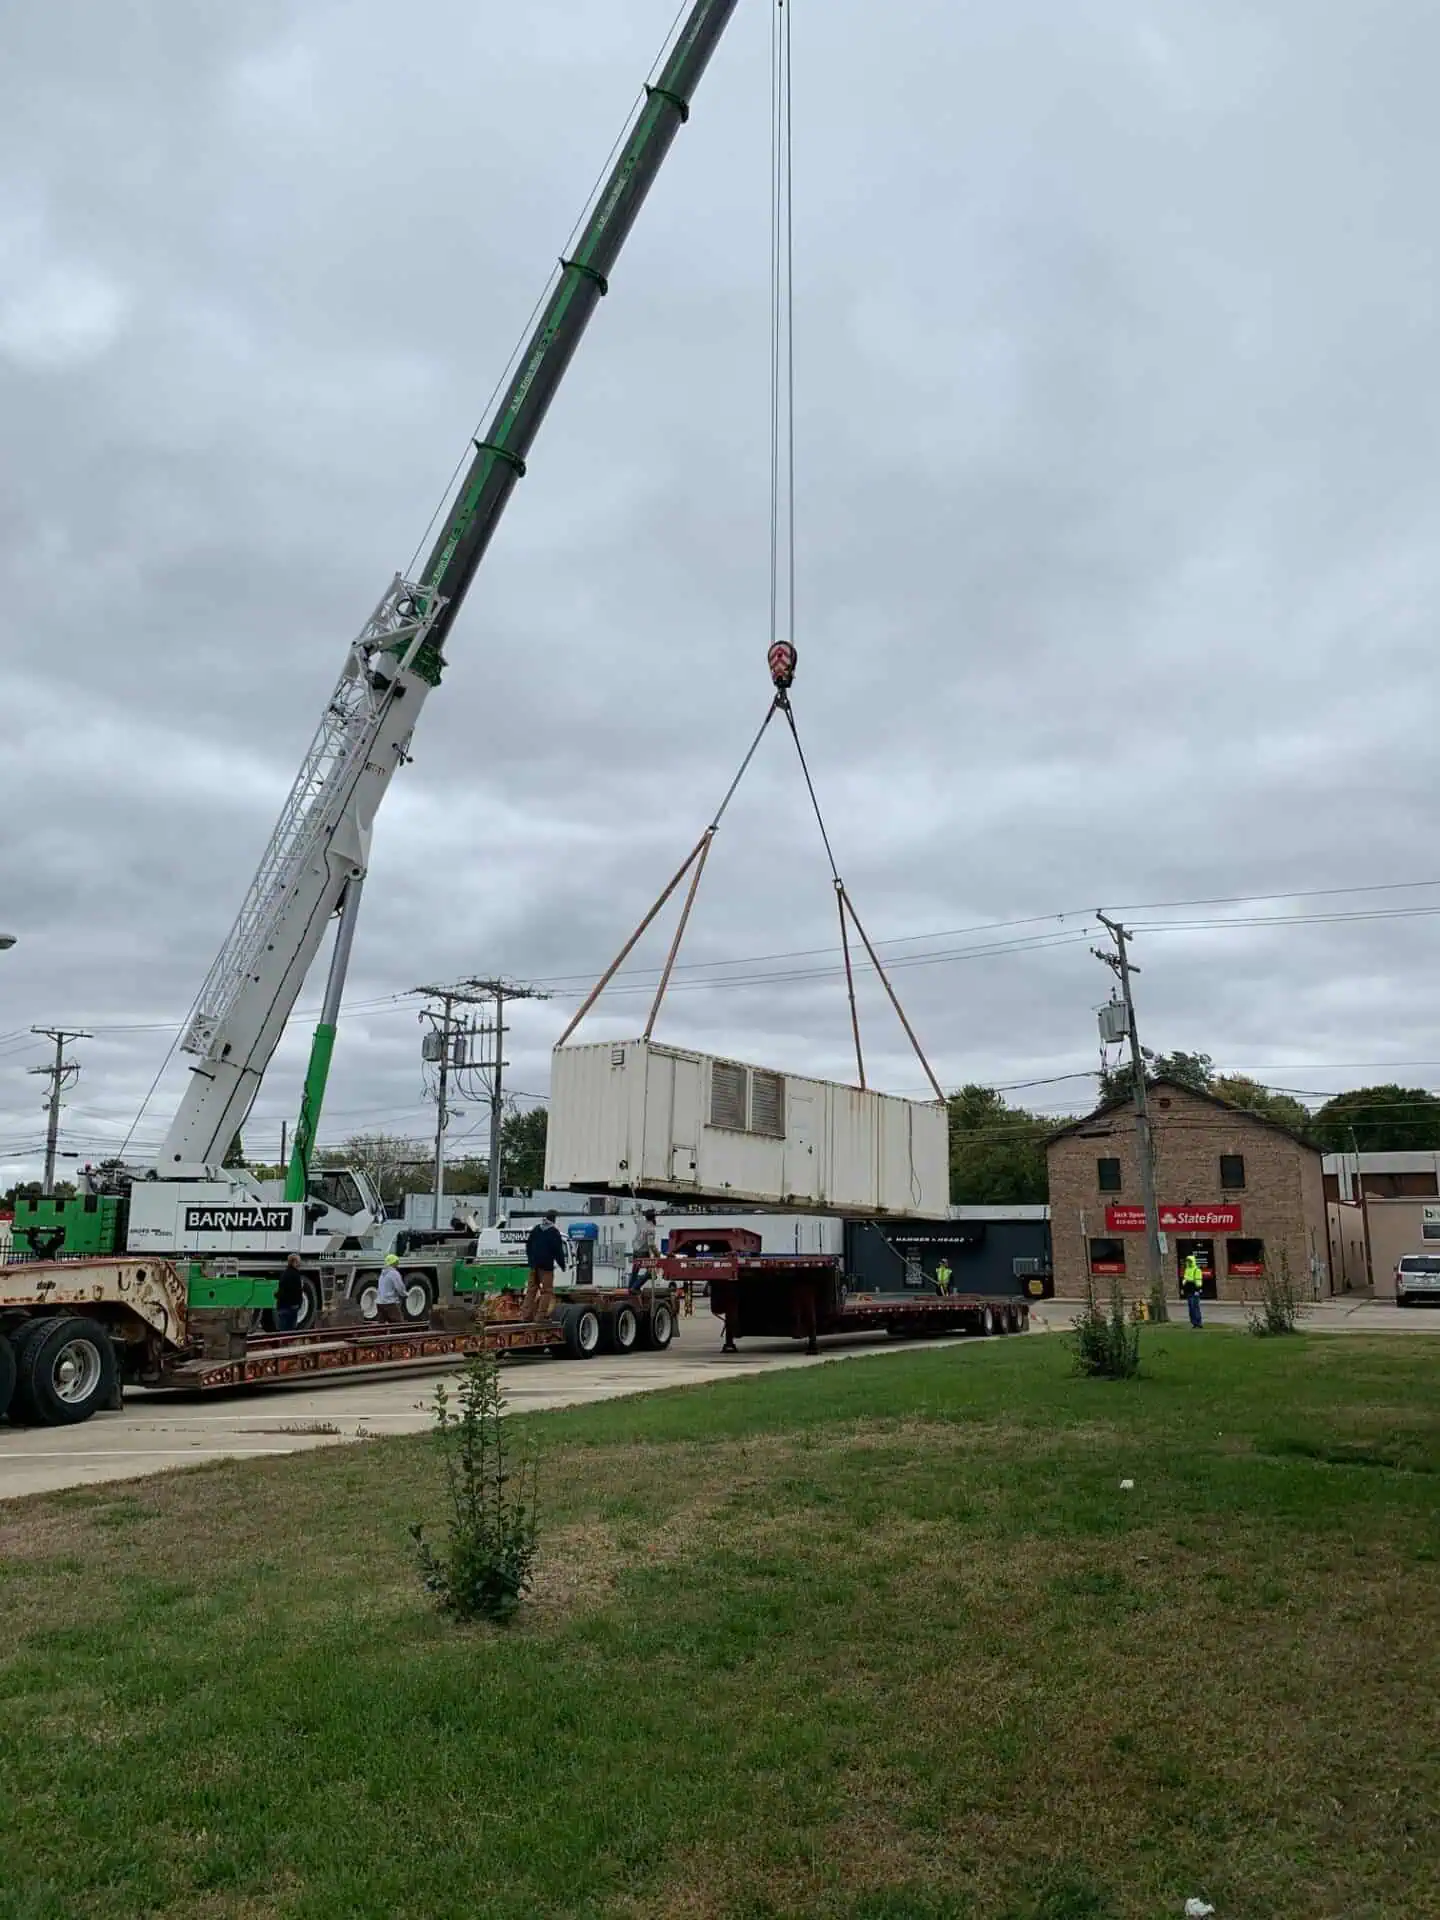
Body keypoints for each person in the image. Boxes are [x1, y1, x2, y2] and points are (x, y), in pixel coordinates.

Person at [523, 1210, 567, 1320]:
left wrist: (531, 1261)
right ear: (554, 1219)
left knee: (531, 1289)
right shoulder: (554, 1232)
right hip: (546, 1267)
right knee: (546, 1291)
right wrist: (562, 1265)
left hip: (534, 1266)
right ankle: (540, 1316)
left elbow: (528, 1246)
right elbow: (558, 1251)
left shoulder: (536, 1229)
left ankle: (525, 1315)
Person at [630, 1208, 659, 1293]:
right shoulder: (651, 1229)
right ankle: (635, 1287)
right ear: (654, 1218)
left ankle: (630, 1288)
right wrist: (657, 1254)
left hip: (635, 1251)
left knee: (635, 1271)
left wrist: (637, 1209)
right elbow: (651, 1244)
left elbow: (635, 1217)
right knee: (650, 1271)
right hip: (643, 1252)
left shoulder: (641, 1221)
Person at [275, 1253, 305, 1332]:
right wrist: (299, 1304)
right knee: (290, 1331)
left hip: (282, 1306)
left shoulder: (284, 1273)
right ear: (294, 1262)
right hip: (291, 1307)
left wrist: (277, 1296)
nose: (300, 1264)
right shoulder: (296, 1275)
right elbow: (297, 1292)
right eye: (299, 1262)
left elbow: (281, 1290)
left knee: (282, 1331)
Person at [376, 1252, 408, 1325]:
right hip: (390, 1303)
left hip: (380, 1303)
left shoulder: (382, 1273)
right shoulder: (394, 1273)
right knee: (398, 1325)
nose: (398, 1264)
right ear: (394, 1263)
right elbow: (400, 1288)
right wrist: (405, 1294)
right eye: (397, 1262)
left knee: (381, 1325)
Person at [1181, 1250, 1205, 1328]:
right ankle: (1194, 1322)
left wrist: (1198, 1290)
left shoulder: (1197, 1270)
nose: (1188, 1263)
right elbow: (1184, 1280)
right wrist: (1183, 1288)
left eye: (1189, 1261)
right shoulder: (1187, 1270)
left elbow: (1199, 1281)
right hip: (1188, 1291)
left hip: (1194, 1291)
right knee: (1191, 1308)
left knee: (1195, 1307)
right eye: (1187, 1261)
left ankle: (1199, 1322)